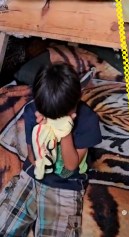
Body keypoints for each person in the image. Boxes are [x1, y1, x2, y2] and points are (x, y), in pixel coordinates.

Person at [0, 62, 102, 236]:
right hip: (33, 175)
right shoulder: (33, 111)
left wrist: (64, 133)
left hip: (67, 185)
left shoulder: (87, 120)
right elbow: (32, 159)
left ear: (77, 101)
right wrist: (40, 134)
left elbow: (70, 167)